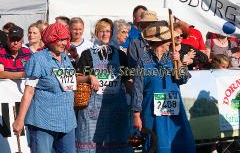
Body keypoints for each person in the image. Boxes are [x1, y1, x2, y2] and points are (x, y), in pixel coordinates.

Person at [12, 23, 77, 153]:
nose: (64, 43)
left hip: (67, 121)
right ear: (51, 39)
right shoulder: (37, 59)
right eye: (60, 39)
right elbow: (29, 92)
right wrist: (19, 119)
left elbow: (70, 83)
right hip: (43, 122)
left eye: (65, 39)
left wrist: (88, 78)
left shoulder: (66, 58)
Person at [132, 23, 196, 153]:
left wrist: (179, 63)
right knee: (157, 143)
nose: (170, 44)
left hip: (174, 110)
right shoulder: (143, 61)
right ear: (159, 42)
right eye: (167, 42)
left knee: (179, 144)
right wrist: (136, 115)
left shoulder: (173, 58)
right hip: (151, 110)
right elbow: (137, 90)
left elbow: (183, 79)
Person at [75, 18, 131, 153]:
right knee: (91, 145)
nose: (105, 34)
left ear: (112, 33)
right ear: (96, 33)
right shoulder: (87, 54)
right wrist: (89, 77)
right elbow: (76, 78)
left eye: (108, 31)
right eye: (102, 31)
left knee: (116, 145)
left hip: (116, 106)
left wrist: (135, 103)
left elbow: (127, 80)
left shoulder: (121, 55)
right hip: (93, 107)